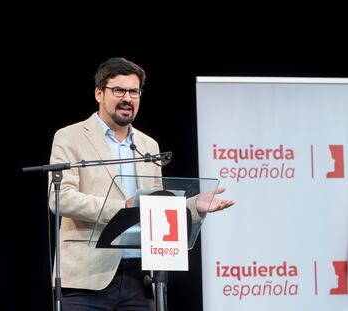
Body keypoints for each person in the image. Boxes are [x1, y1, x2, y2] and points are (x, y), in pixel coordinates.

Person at [48, 57, 235, 310]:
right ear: (99, 93)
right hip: (87, 278)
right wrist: (122, 210)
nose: (127, 98)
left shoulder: (148, 145)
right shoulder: (70, 137)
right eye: (119, 90)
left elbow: (155, 204)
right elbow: (62, 198)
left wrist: (192, 207)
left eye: (134, 91)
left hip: (141, 278)